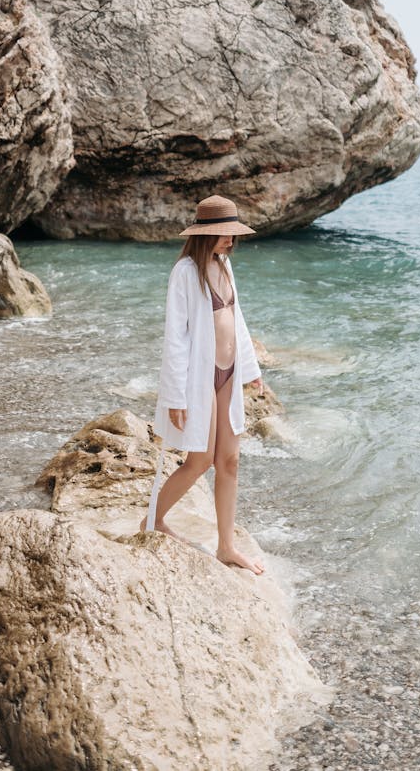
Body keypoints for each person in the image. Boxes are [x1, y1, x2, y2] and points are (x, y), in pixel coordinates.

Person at [142, 194, 265, 575]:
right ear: (204, 234)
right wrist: (175, 395)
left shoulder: (225, 266)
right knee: (200, 461)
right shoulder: (184, 272)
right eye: (224, 234)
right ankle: (154, 520)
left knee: (230, 460)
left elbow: (237, 318)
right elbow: (175, 339)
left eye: (232, 234)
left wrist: (251, 368)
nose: (230, 241)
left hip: (228, 373)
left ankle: (226, 546)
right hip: (200, 377)